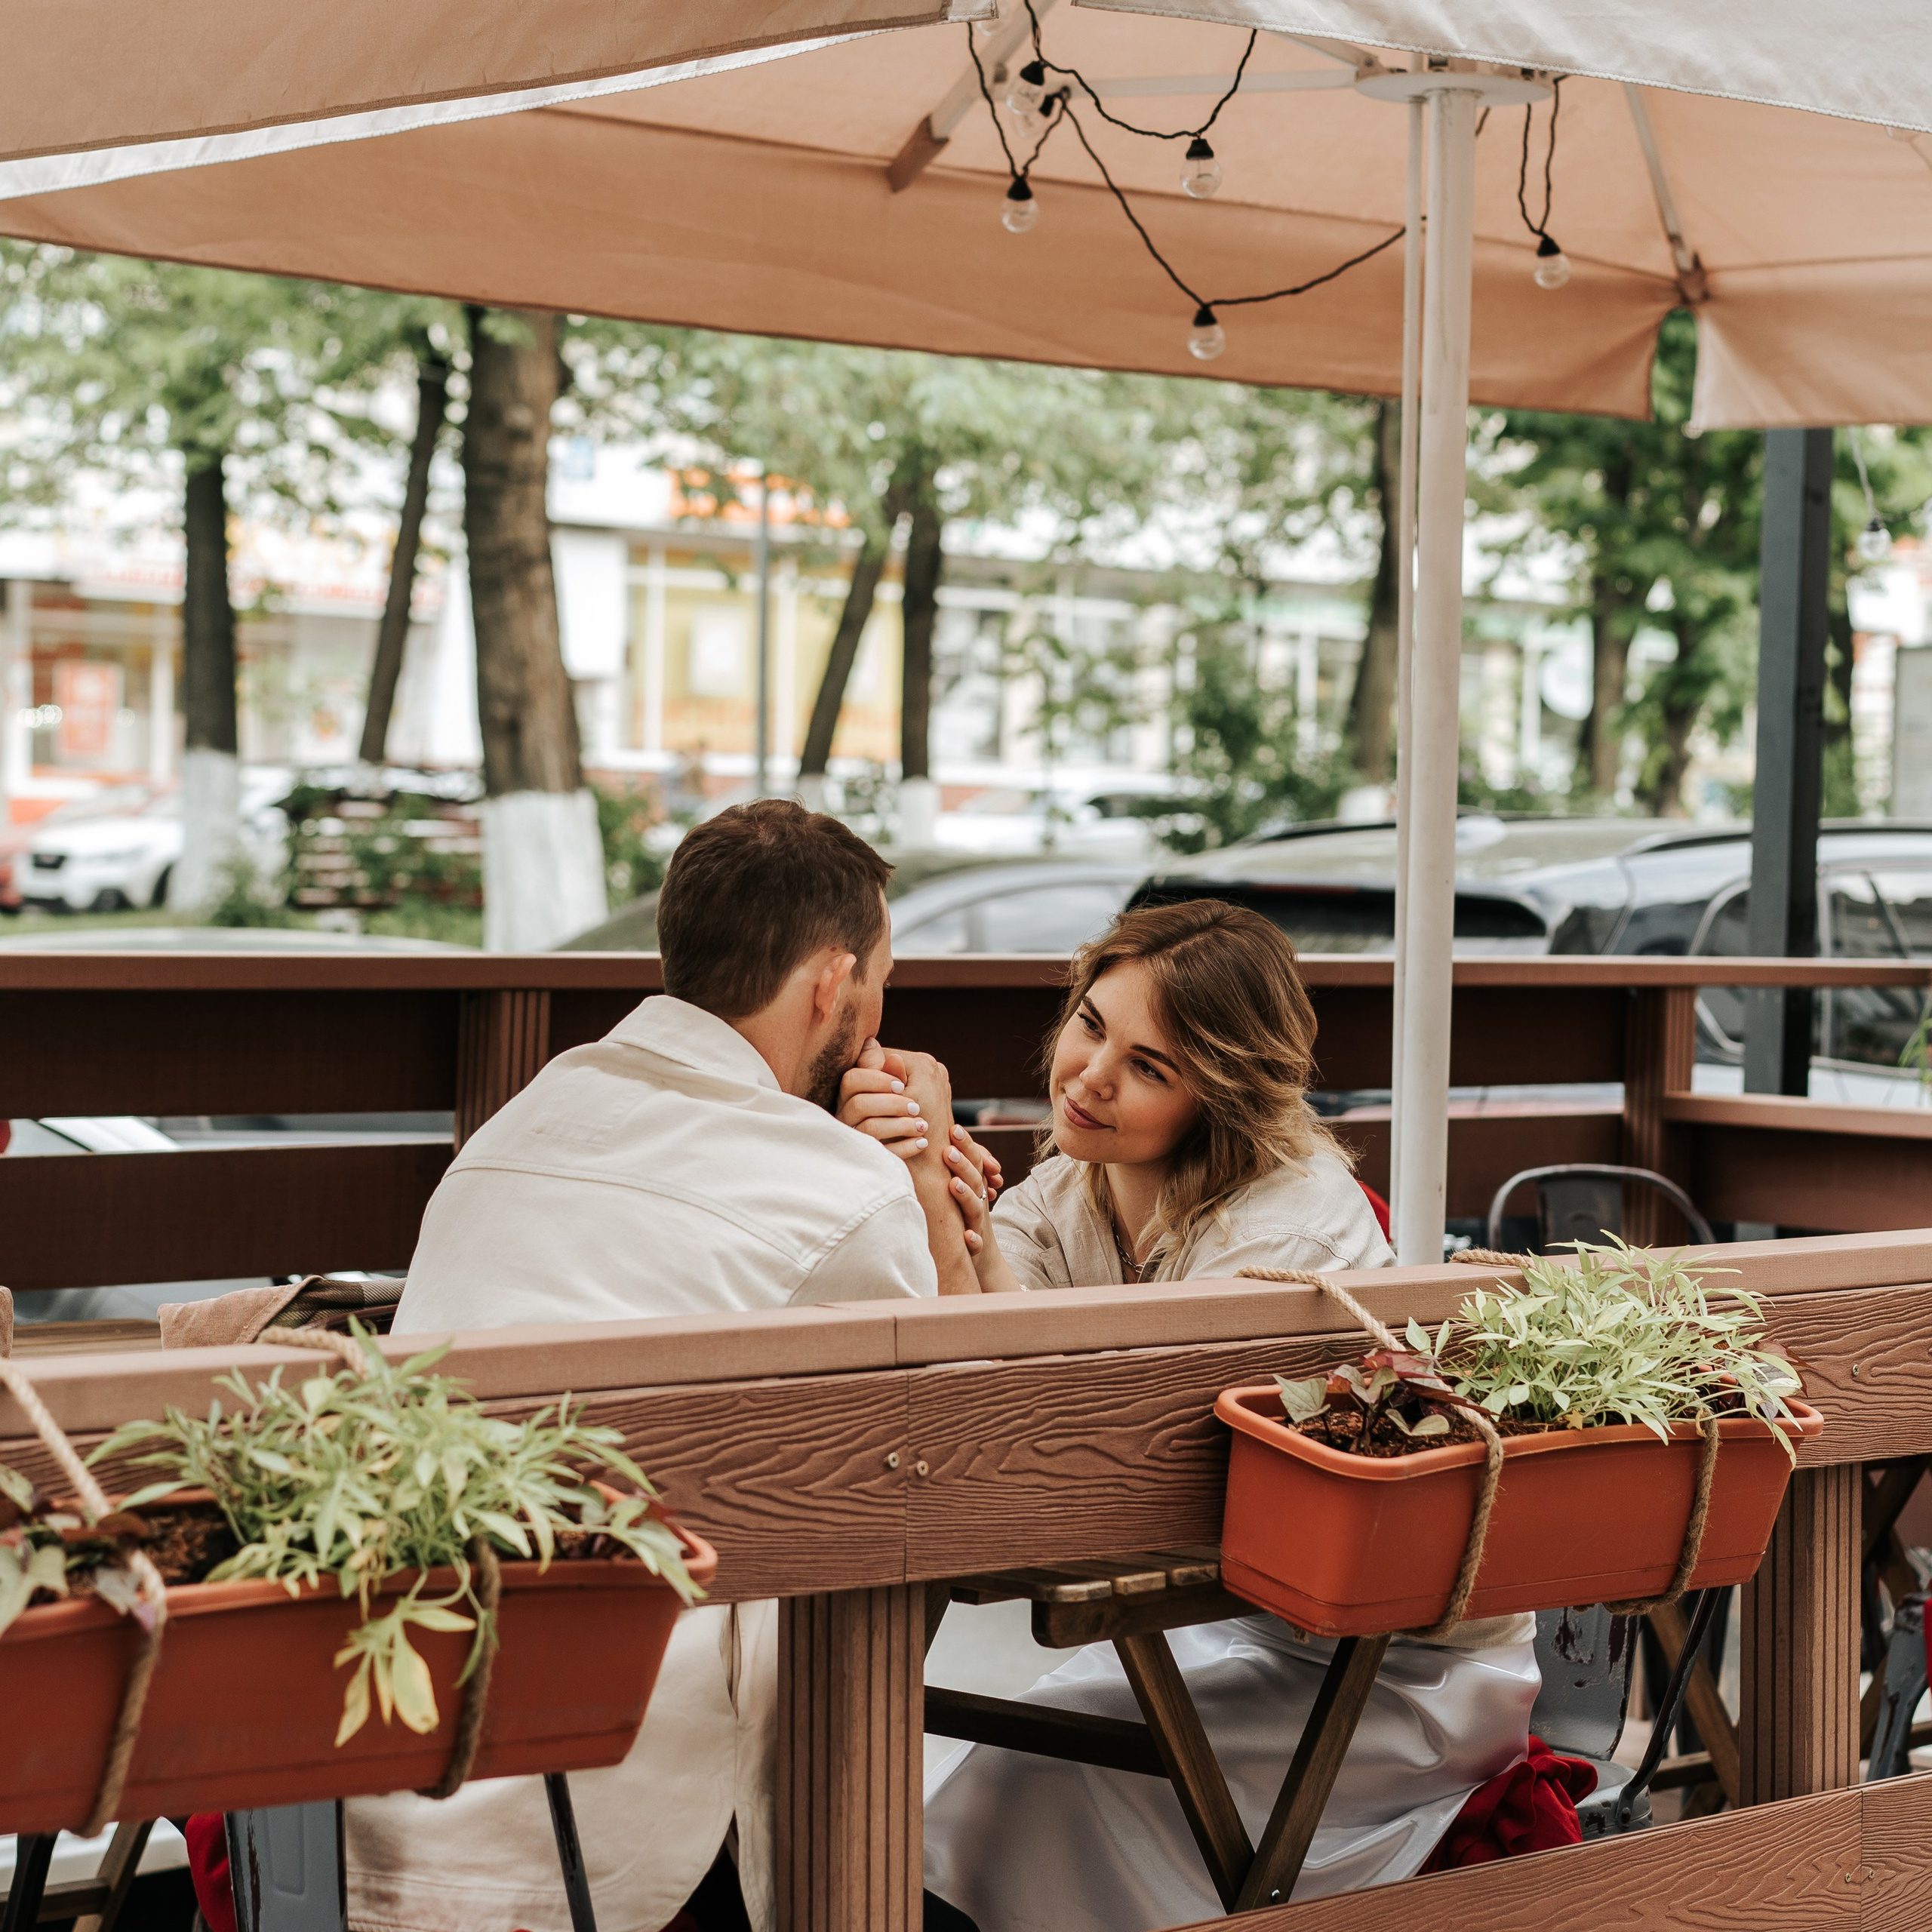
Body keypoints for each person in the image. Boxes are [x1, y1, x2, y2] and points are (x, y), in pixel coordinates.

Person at [345, 800, 989, 1932]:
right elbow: (962, 1467)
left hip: (382, 1760)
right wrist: (926, 1182)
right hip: (624, 1826)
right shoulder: (840, 1190)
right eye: (884, 978)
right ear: (833, 987)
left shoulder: (519, 1125)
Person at [844, 900, 1538, 1932]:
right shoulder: (1071, 1186)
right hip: (1189, 1604)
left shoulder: (1289, 1236)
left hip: (1366, 1655)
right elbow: (992, 1374)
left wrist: (960, 1233)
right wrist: (932, 1192)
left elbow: (1105, 1464)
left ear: (1223, 1093)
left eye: (1150, 1067)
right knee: (871, 1752)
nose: (1090, 1075)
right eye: (1090, 1024)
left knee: (1001, 1782)